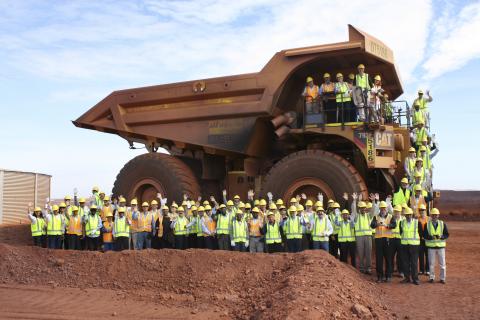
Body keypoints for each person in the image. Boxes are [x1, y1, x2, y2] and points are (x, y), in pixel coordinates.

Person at [370, 201, 396, 282]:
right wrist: (377, 224)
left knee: (388, 258)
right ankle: (380, 276)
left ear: (386, 209)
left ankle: (388, 276)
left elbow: (394, 225)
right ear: (379, 209)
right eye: (381, 208)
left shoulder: (391, 216)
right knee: (379, 259)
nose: (383, 210)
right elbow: (372, 225)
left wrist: (387, 226)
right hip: (378, 239)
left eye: (384, 208)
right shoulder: (376, 217)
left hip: (388, 239)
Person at [424, 208, 449, 284]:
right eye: (433, 215)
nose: (434, 216)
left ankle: (442, 278)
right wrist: (430, 237)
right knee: (431, 264)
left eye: (436, 215)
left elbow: (447, 234)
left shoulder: (442, 224)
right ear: (431, 215)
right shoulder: (427, 224)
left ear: (438, 215)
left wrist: (442, 237)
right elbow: (424, 235)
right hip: (431, 247)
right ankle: (431, 277)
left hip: (440, 246)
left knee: (442, 264)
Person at [400, 207, 422, 285]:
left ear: (412, 215)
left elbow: (420, 233)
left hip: (414, 245)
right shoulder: (401, 223)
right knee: (405, 262)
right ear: (405, 215)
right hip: (404, 245)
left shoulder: (417, 223)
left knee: (414, 263)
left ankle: (415, 279)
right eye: (407, 215)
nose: (408, 216)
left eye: (410, 215)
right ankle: (407, 278)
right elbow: (401, 233)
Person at [352, 200, 373, 274]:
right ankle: (361, 267)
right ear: (359, 209)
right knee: (360, 252)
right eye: (361, 208)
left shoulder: (368, 215)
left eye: (364, 207)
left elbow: (373, 211)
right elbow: (353, 211)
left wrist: (373, 201)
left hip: (368, 236)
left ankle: (368, 268)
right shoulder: (357, 216)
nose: (363, 209)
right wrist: (354, 201)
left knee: (368, 253)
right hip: (359, 237)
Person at [390, 205, 404, 278]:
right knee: (391, 255)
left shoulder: (403, 220)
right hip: (392, 239)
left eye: (398, 212)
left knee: (400, 256)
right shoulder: (391, 219)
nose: (396, 213)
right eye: (395, 211)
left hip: (400, 240)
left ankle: (400, 271)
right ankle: (391, 271)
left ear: (400, 212)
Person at [417, 204, 430, 275]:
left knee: (428, 255)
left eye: (423, 210)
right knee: (421, 255)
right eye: (421, 210)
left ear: (425, 211)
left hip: (427, 240)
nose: (422, 212)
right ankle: (421, 270)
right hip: (420, 240)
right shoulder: (417, 219)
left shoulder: (429, 219)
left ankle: (427, 270)